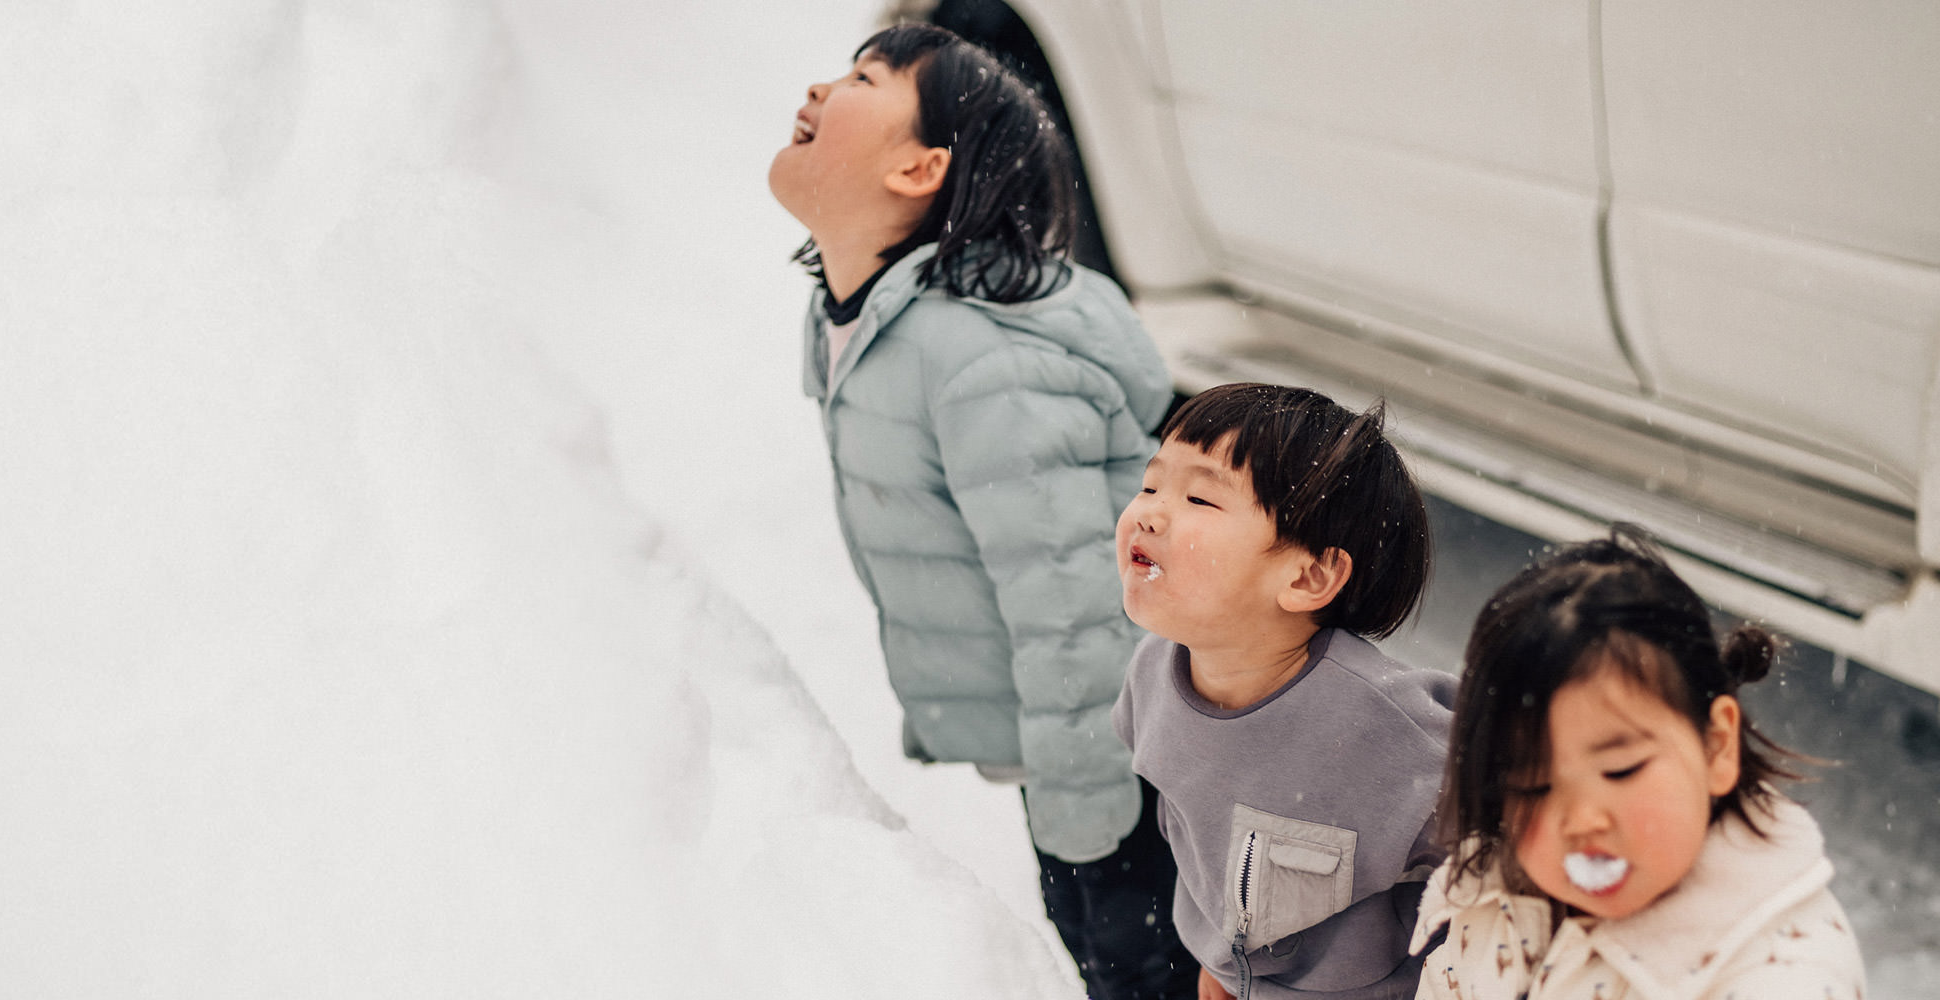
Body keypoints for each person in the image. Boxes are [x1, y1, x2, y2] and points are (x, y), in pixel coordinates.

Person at [768, 22, 1192, 998]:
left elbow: (1076, 603)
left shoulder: (979, 363)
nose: (820, 89)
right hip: (1078, 759)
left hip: (1135, 769)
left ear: (920, 167)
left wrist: (1091, 818)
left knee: (1144, 971)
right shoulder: (861, 319)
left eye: (863, 79)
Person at [1411, 526, 1865, 999]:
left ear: (1718, 747)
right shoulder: (1493, 897)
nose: (1583, 820)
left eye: (1621, 770)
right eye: (1533, 788)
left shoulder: (1787, 977)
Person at [1110, 383, 1451, 1000]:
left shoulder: (1385, 730)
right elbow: (1195, 832)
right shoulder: (1154, 671)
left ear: (1307, 575)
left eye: (1199, 498)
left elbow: (1514, 845)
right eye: (1151, 484)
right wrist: (1220, 962)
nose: (1149, 512)